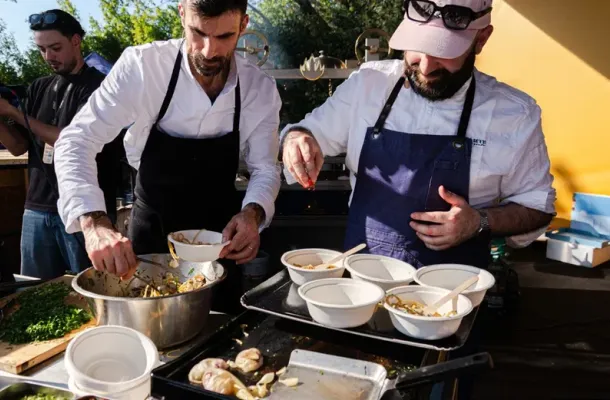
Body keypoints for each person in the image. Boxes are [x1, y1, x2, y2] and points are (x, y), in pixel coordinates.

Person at [281, 0, 556, 271]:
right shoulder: (368, 85)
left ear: (481, 39)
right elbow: (309, 132)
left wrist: (479, 222)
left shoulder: (515, 114)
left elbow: (537, 207)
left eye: (444, 52)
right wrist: (297, 139)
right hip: (362, 283)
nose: (425, 67)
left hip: (454, 290)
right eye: (416, 46)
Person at [53, 0, 281, 313]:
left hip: (219, 243)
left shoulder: (260, 89)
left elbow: (266, 168)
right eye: (198, 33)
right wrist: (94, 223)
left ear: (243, 25)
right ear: (182, 13)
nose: (209, 51)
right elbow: (77, 140)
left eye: (224, 37)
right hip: (150, 237)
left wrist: (253, 214)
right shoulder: (144, 67)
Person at [0, 9, 117, 279]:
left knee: (90, 287)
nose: (48, 57)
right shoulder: (39, 87)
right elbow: (18, 147)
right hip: (36, 207)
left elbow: (70, 139)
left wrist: (13, 112)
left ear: (76, 41)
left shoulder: (101, 86)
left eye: (55, 48)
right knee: (33, 290)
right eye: (42, 50)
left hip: (85, 213)